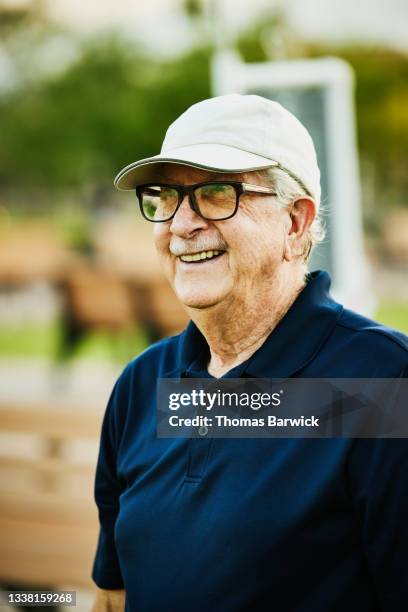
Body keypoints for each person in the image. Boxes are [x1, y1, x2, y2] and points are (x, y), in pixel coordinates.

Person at [91, 94, 408, 612]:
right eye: (165, 196)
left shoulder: (382, 384)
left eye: (216, 193)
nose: (181, 224)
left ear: (295, 223)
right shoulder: (142, 384)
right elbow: (112, 597)